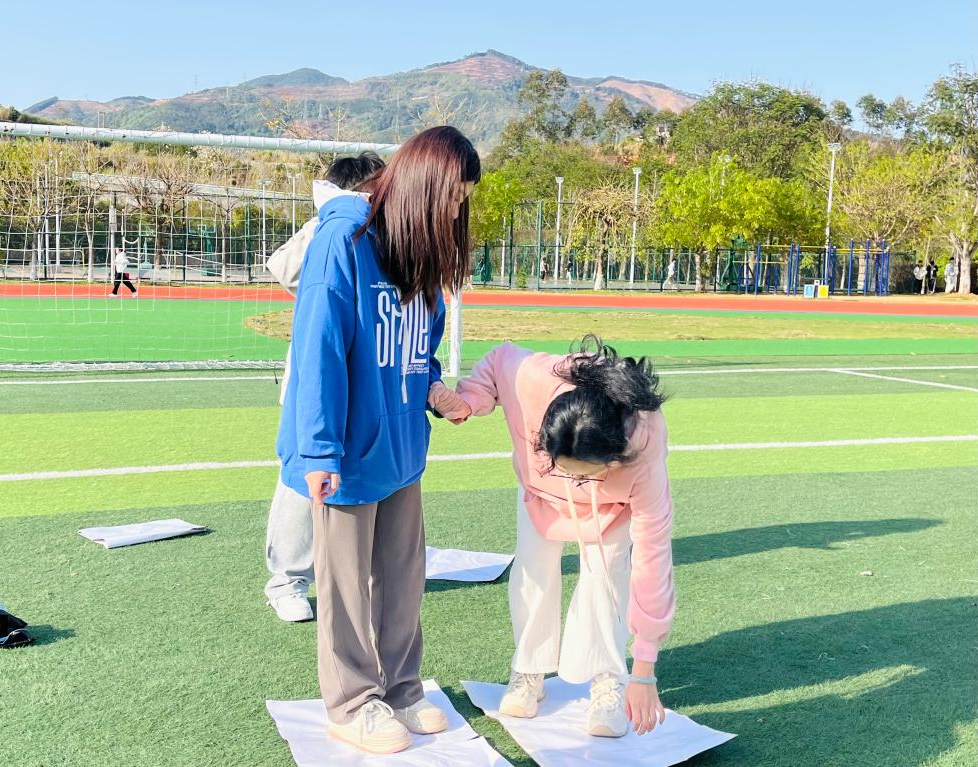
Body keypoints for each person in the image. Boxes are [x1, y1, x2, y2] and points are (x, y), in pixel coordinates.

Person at [275, 126, 480, 754]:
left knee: (402, 576)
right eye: (453, 196)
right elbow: (319, 351)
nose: (457, 211)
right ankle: (352, 702)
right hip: (347, 451)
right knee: (343, 586)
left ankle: (402, 688)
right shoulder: (343, 239)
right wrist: (318, 450)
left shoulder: (421, 252)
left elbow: (421, 345)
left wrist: (434, 388)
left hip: (402, 449)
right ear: (422, 186)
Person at [435, 335, 675, 739]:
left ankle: (608, 679)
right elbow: (499, 359)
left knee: (607, 577)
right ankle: (528, 670)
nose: (572, 479)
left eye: (583, 473)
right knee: (532, 570)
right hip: (540, 494)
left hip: (609, 507)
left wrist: (644, 670)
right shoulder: (533, 379)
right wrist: (470, 400)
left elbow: (654, 561)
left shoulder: (644, 452)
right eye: (563, 466)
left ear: (615, 456)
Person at [262, 152, 385, 623]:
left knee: (362, 476)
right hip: (317, 383)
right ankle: (287, 578)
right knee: (303, 479)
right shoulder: (328, 231)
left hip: (371, 378)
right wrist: (329, 217)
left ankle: (355, 568)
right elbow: (283, 268)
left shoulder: (385, 233)